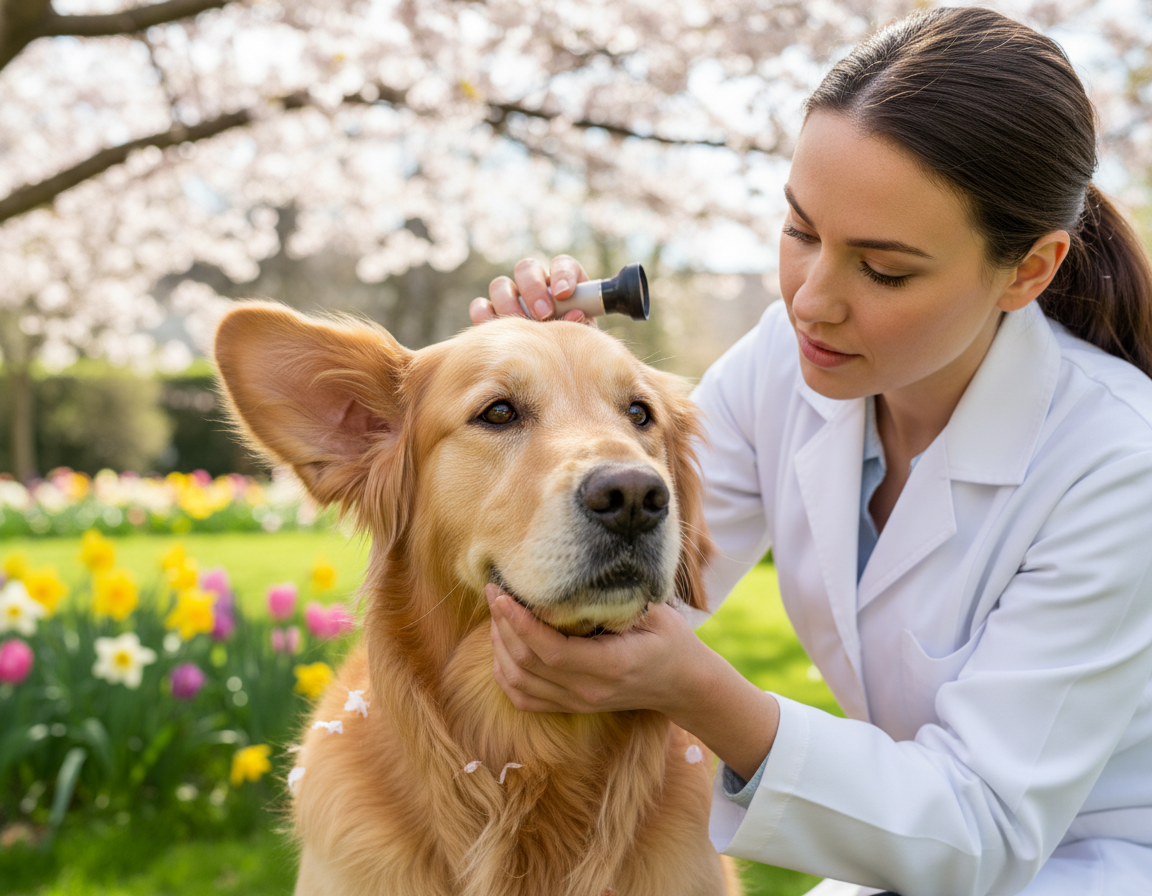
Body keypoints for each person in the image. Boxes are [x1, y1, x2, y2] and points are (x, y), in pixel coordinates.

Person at [467, 7, 1152, 896]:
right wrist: (548, 394)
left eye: (884, 269)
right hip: (906, 845)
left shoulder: (1119, 466)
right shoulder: (781, 366)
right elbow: (643, 562)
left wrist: (704, 695)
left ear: (1029, 270)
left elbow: (985, 826)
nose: (810, 302)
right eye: (800, 231)